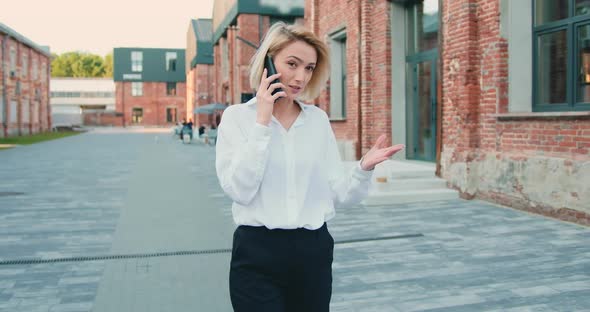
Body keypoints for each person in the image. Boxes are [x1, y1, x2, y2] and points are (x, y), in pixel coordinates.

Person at [215, 22, 404, 312]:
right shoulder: (237, 118)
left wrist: (362, 169)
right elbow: (240, 190)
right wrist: (262, 122)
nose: (300, 76)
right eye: (292, 64)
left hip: (312, 251)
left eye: (309, 68)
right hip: (256, 253)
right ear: (268, 61)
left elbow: (340, 196)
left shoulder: (317, 120)